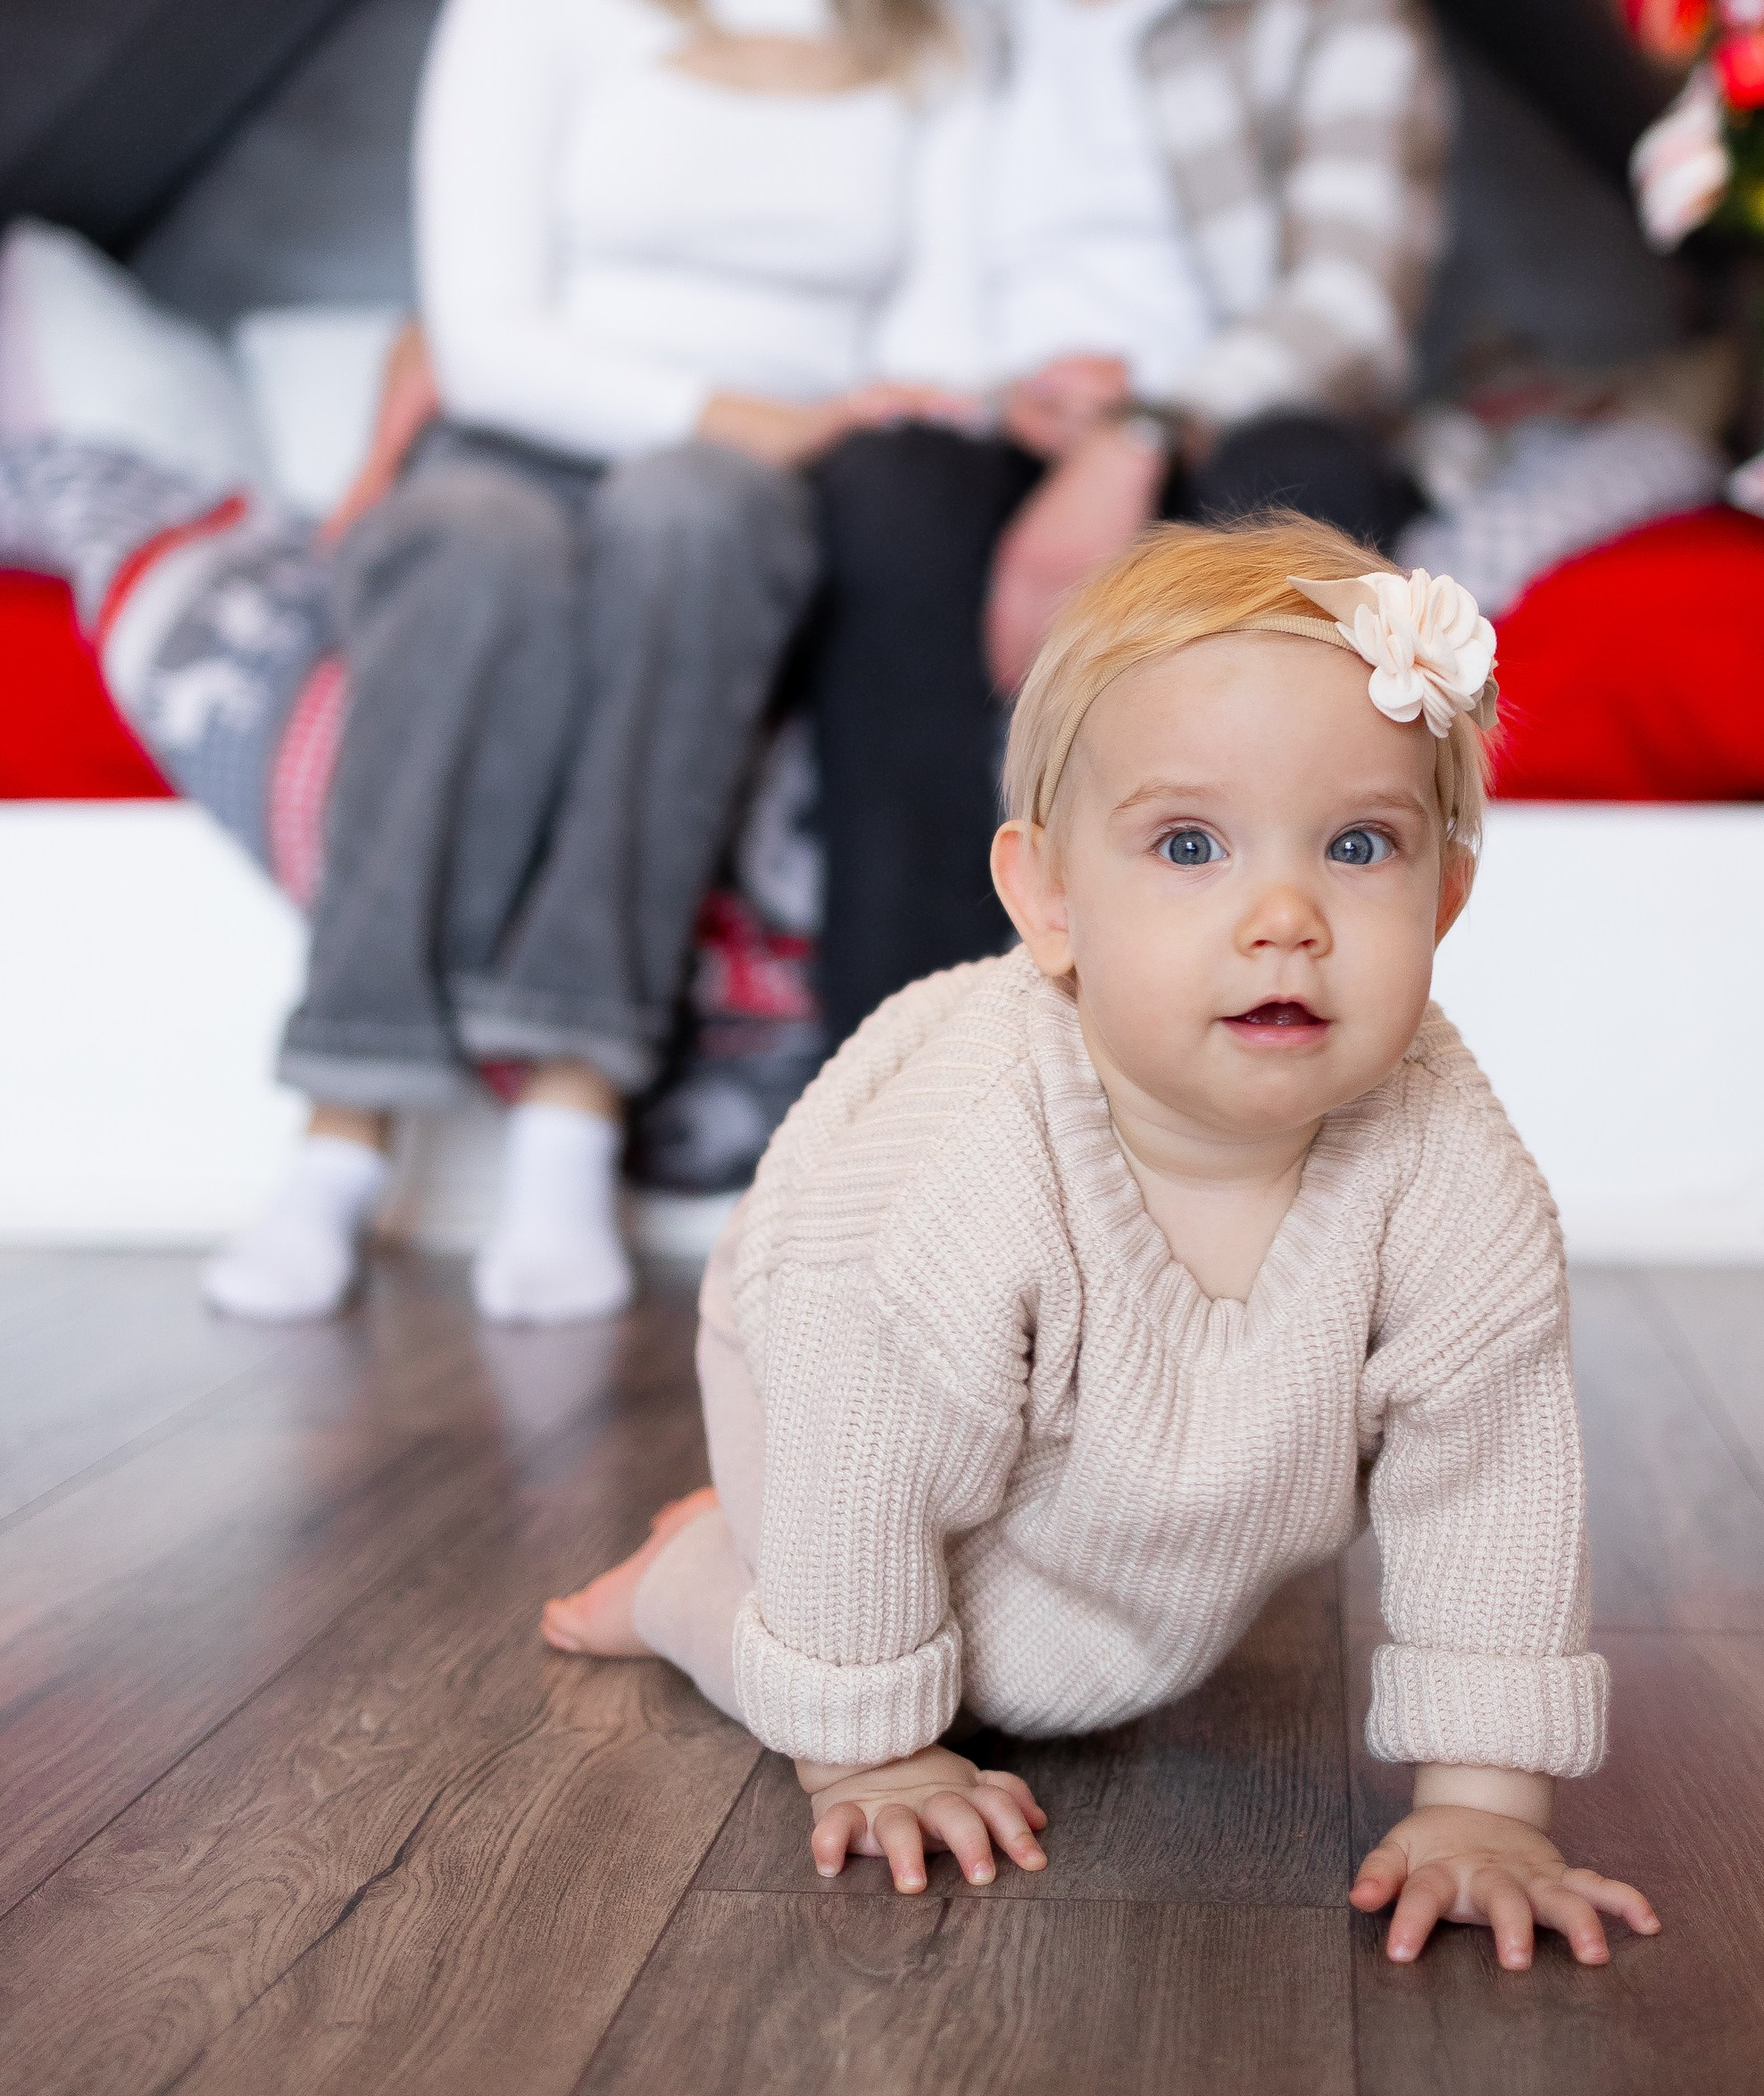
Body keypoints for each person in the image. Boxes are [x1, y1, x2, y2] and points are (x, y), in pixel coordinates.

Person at [539, 517, 1658, 1973]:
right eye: (1189, 846)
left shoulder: (1450, 1168)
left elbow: (1493, 1477)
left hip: (1124, 1525)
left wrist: (1483, 1810)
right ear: (1049, 900)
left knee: (1061, 1669)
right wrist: (869, 1757)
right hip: (836, 1404)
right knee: (864, 1628)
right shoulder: (950, 1174)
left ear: (1444, 896)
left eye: (1358, 846)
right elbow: (858, 1453)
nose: (1284, 918)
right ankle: (693, 1577)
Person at [204, 0, 957, 1328]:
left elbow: (931, 333)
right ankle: (342, 1129)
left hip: (753, 491)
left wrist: (794, 430)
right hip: (517, 442)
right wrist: (731, 406)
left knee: (696, 517)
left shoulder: (931, 35)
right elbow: (486, 335)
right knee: (484, 551)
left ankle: (572, 1108)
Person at [810, 0, 1454, 1048]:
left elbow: (1353, 308)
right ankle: (912, 1079)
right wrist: (1010, 402)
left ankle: (1246, 1046)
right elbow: (893, 306)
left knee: (1303, 481)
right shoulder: (958, 15)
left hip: (1222, 429)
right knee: (885, 490)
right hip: (999, 439)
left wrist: (1140, 429)